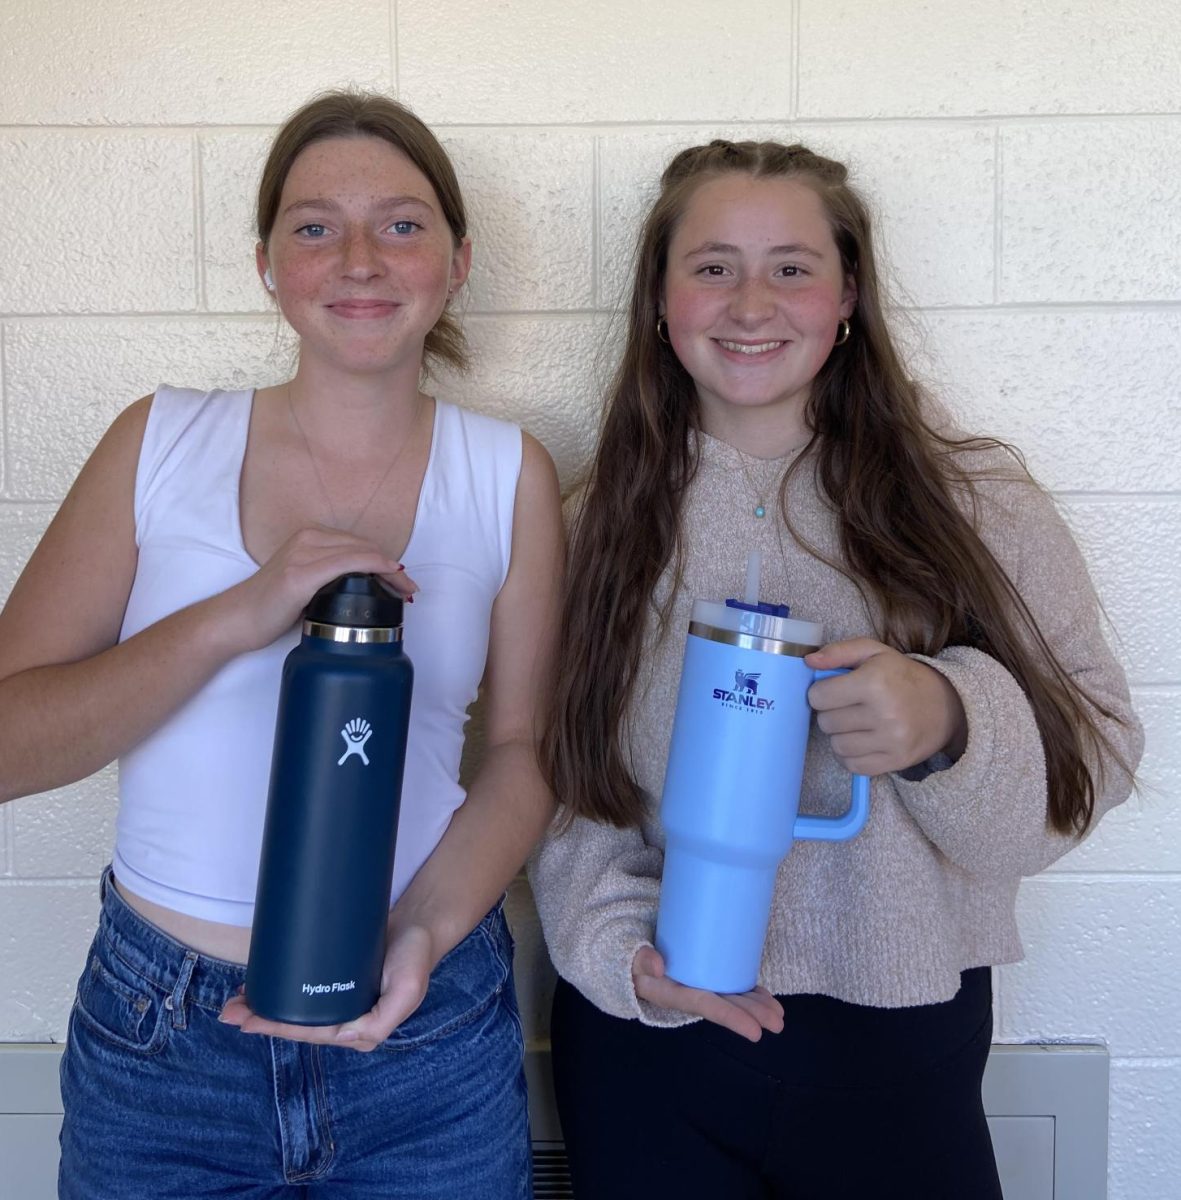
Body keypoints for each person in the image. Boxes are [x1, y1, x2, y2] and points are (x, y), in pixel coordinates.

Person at [529, 139, 1142, 1200]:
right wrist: (620, 953)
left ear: (848, 292)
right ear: (659, 301)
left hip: (897, 1048)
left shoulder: (974, 504)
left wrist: (949, 720)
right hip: (648, 1044)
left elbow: (1097, 752)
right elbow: (554, 788)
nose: (750, 302)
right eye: (711, 265)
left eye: (792, 267)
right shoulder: (586, 528)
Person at [0, 90, 561, 1199]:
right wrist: (238, 613)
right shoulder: (159, 441)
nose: (359, 258)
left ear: (455, 260)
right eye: (314, 227)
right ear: (266, 263)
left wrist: (422, 936)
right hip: (163, 1040)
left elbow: (522, 753)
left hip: (427, 1025)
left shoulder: (508, 475)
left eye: (401, 224)